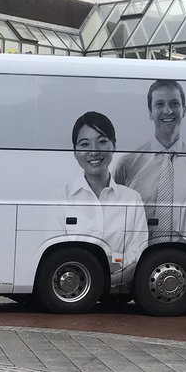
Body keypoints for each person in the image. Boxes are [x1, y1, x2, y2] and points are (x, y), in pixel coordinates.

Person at [114, 79, 186, 241]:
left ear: (184, 110)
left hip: (184, 257)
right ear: (150, 112)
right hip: (137, 256)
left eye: (174, 103)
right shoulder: (127, 163)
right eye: (159, 104)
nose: (168, 111)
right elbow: (114, 214)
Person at [64, 112, 148, 280]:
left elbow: (139, 251)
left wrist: (114, 261)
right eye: (84, 144)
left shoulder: (132, 199)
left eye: (102, 142)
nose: (94, 151)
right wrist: (104, 263)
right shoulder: (61, 198)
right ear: (75, 151)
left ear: (114, 145)